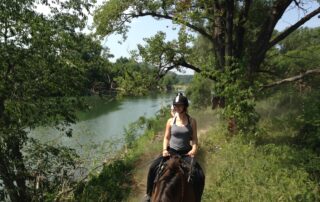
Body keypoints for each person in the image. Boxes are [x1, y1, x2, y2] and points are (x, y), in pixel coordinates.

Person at [145, 93, 205, 202]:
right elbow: (166, 138)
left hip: (186, 153)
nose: (177, 108)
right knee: (153, 167)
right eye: (175, 105)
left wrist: (194, 149)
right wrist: (164, 149)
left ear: (185, 106)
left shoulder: (192, 121)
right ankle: (148, 195)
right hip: (171, 152)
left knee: (199, 173)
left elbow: (195, 139)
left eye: (180, 105)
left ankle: (197, 198)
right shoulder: (170, 121)